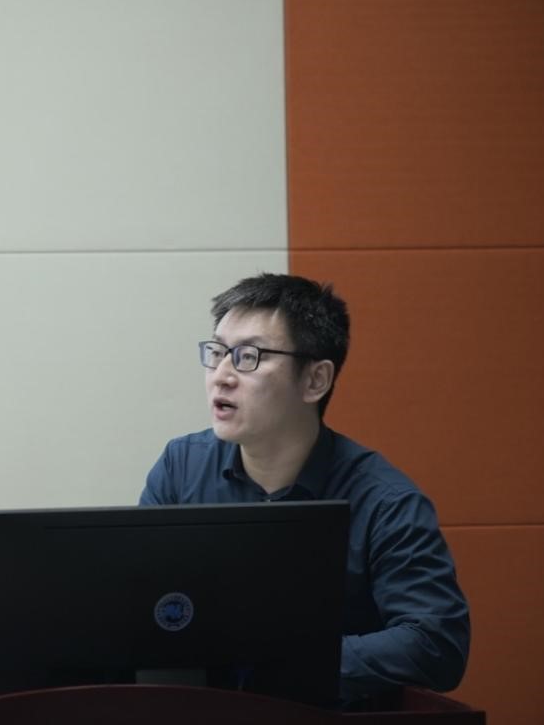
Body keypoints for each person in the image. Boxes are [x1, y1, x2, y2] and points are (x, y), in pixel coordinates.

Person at [139, 273, 469, 707]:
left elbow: (436, 642)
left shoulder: (386, 502)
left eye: (248, 356)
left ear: (315, 380)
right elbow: (142, 611)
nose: (221, 376)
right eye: (216, 352)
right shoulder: (180, 468)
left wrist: (292, 666)